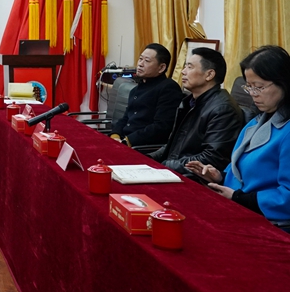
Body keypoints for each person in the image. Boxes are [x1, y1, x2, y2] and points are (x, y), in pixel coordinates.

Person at [187, 45, 290, 223]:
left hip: (269, 221)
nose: (253, 94)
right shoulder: (255, 122)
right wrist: (219, 176)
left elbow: (286, 198)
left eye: (259, 87)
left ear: (284, 83)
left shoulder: (286, 130)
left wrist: (238, 198)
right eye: (249, 87)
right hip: (238, 208)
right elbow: (241, 172)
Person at [149, 48, 244, 179]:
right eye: (185, 66)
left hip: (194, 179)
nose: (183, 71)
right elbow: (175, 145)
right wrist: (149, 158)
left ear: (209, 75)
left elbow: (212, 158)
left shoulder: (222, 109)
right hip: (176, 171)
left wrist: (167, 165)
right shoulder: (190, 102)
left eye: (190, 67)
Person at [110, 43, 183, 146]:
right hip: (124, 141)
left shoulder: (168, 88)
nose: (140, 64)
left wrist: (127, 141)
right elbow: (125, 118)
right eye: (140, 59)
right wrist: (115, 135)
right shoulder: (135, 89)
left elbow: (161, 127)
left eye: (147, 61)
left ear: (161, 68)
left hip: (142, 147)